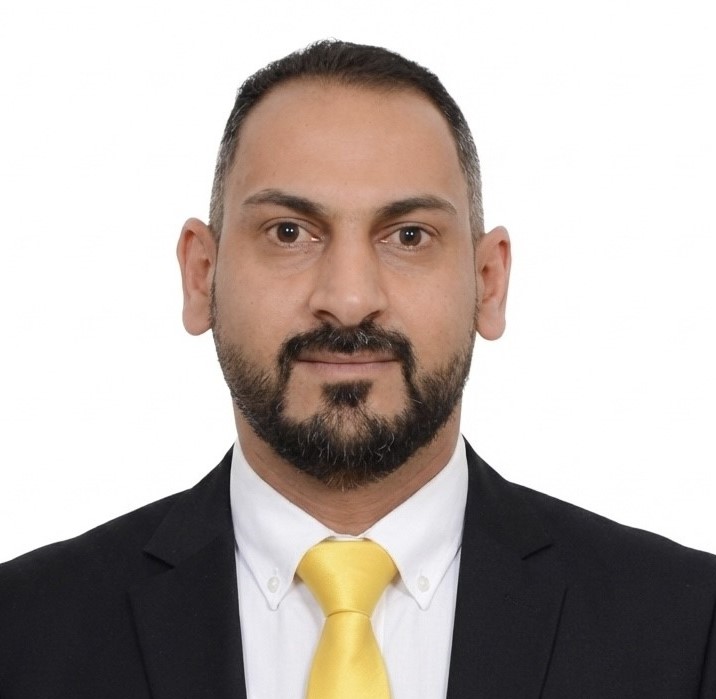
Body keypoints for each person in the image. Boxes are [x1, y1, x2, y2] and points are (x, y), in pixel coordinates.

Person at [0, 39, 714, 699]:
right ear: (201, 275)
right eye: (289, 232)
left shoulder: (688, 629)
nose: (348, 299)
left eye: (409, 235)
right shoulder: (22, 631)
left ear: (488, 283)